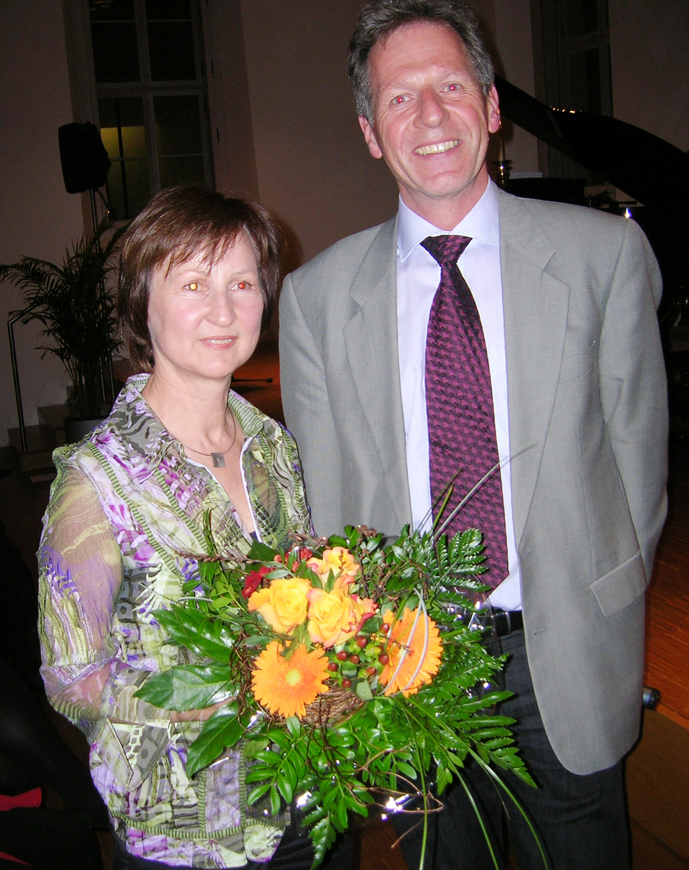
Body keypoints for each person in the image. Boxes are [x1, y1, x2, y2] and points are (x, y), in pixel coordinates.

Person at [279, 2, 668, 868]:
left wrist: (598, 589)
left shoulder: (602, 258)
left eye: (450, 86)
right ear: (369, 133)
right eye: (398, 97)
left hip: (566, 646)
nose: (429, 115)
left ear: (491, 107)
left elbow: (638, 460)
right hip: (411, 666)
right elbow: (329, 509)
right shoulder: (315, 298)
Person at [37, 185, 316, 869]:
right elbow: (71, 678)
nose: (223, 311)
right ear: (142, 305)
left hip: (301, 797)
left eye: (242, 283)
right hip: (186, 827)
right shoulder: (97, 481)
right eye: (193, 284)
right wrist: (215, 697)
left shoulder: (274, 448)